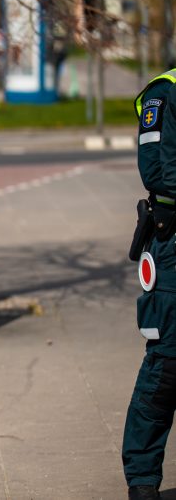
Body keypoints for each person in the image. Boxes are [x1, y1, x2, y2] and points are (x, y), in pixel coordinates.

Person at [125, 67, 176, 500]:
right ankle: (143, 480)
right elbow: (158, 170)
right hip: (173, 245)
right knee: (168, 363)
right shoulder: (165, 92)